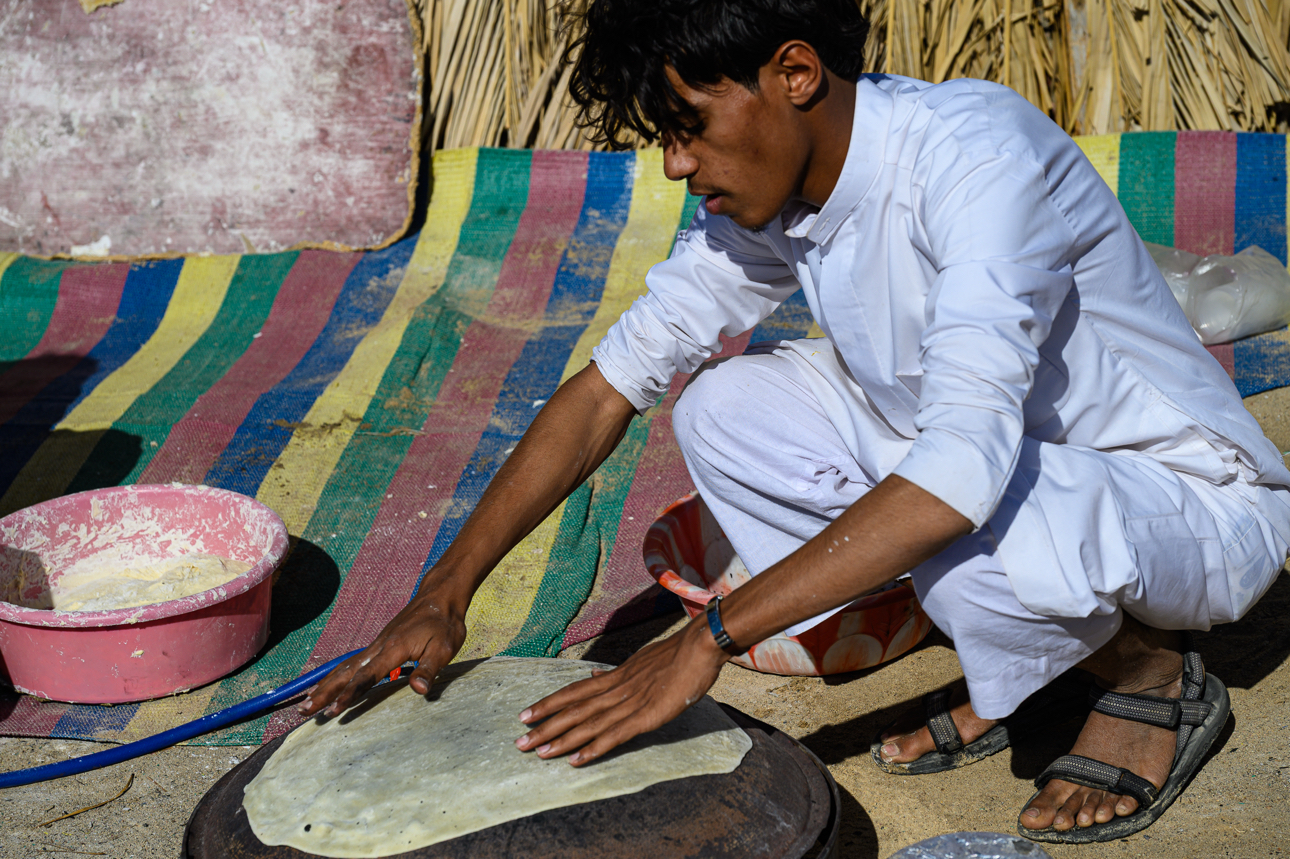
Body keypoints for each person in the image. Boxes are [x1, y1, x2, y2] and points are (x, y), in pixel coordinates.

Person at [299, 0, 1290, 843]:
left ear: (795, 73)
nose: (679, 167)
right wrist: (445, 591)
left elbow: (960, 476)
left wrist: (708, 637)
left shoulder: (975, 157)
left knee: (979, 538)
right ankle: (1015, 640)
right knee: (727, 409)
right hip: (1000, 465)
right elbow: (609, 388)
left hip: (1188, 499)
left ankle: (1152, 673)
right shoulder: (773, 199)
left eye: (691, 126)